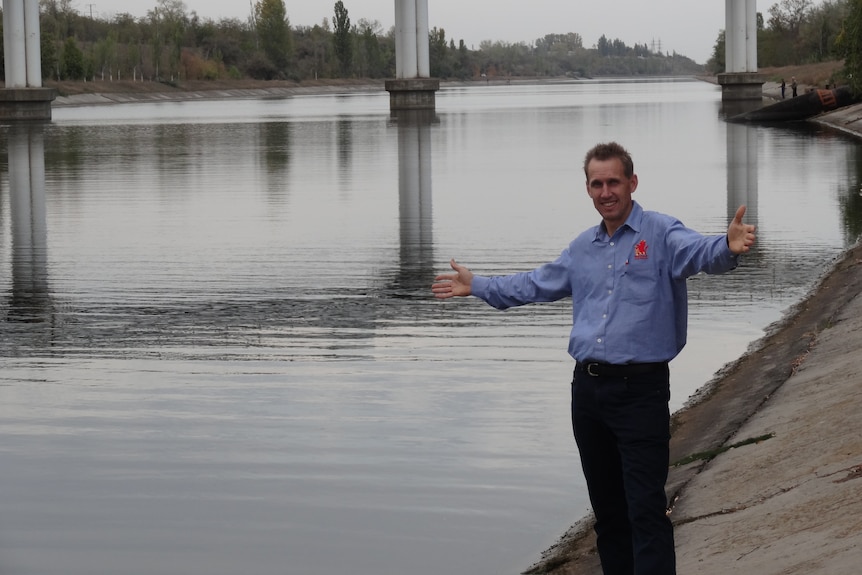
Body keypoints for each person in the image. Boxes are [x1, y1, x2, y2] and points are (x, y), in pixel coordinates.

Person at [431, 142, 756, 575]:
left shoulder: (660, 233)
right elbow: (534, 284)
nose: (606, 192)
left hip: (640, 392)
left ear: (632, 183)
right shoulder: (582, 248)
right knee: (608, 516)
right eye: (597, 184)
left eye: (614, 182)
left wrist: (727, 247)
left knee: (645, 509)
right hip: (587, 393)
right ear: (588, 189)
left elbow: (698, 252)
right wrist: (479, 286)